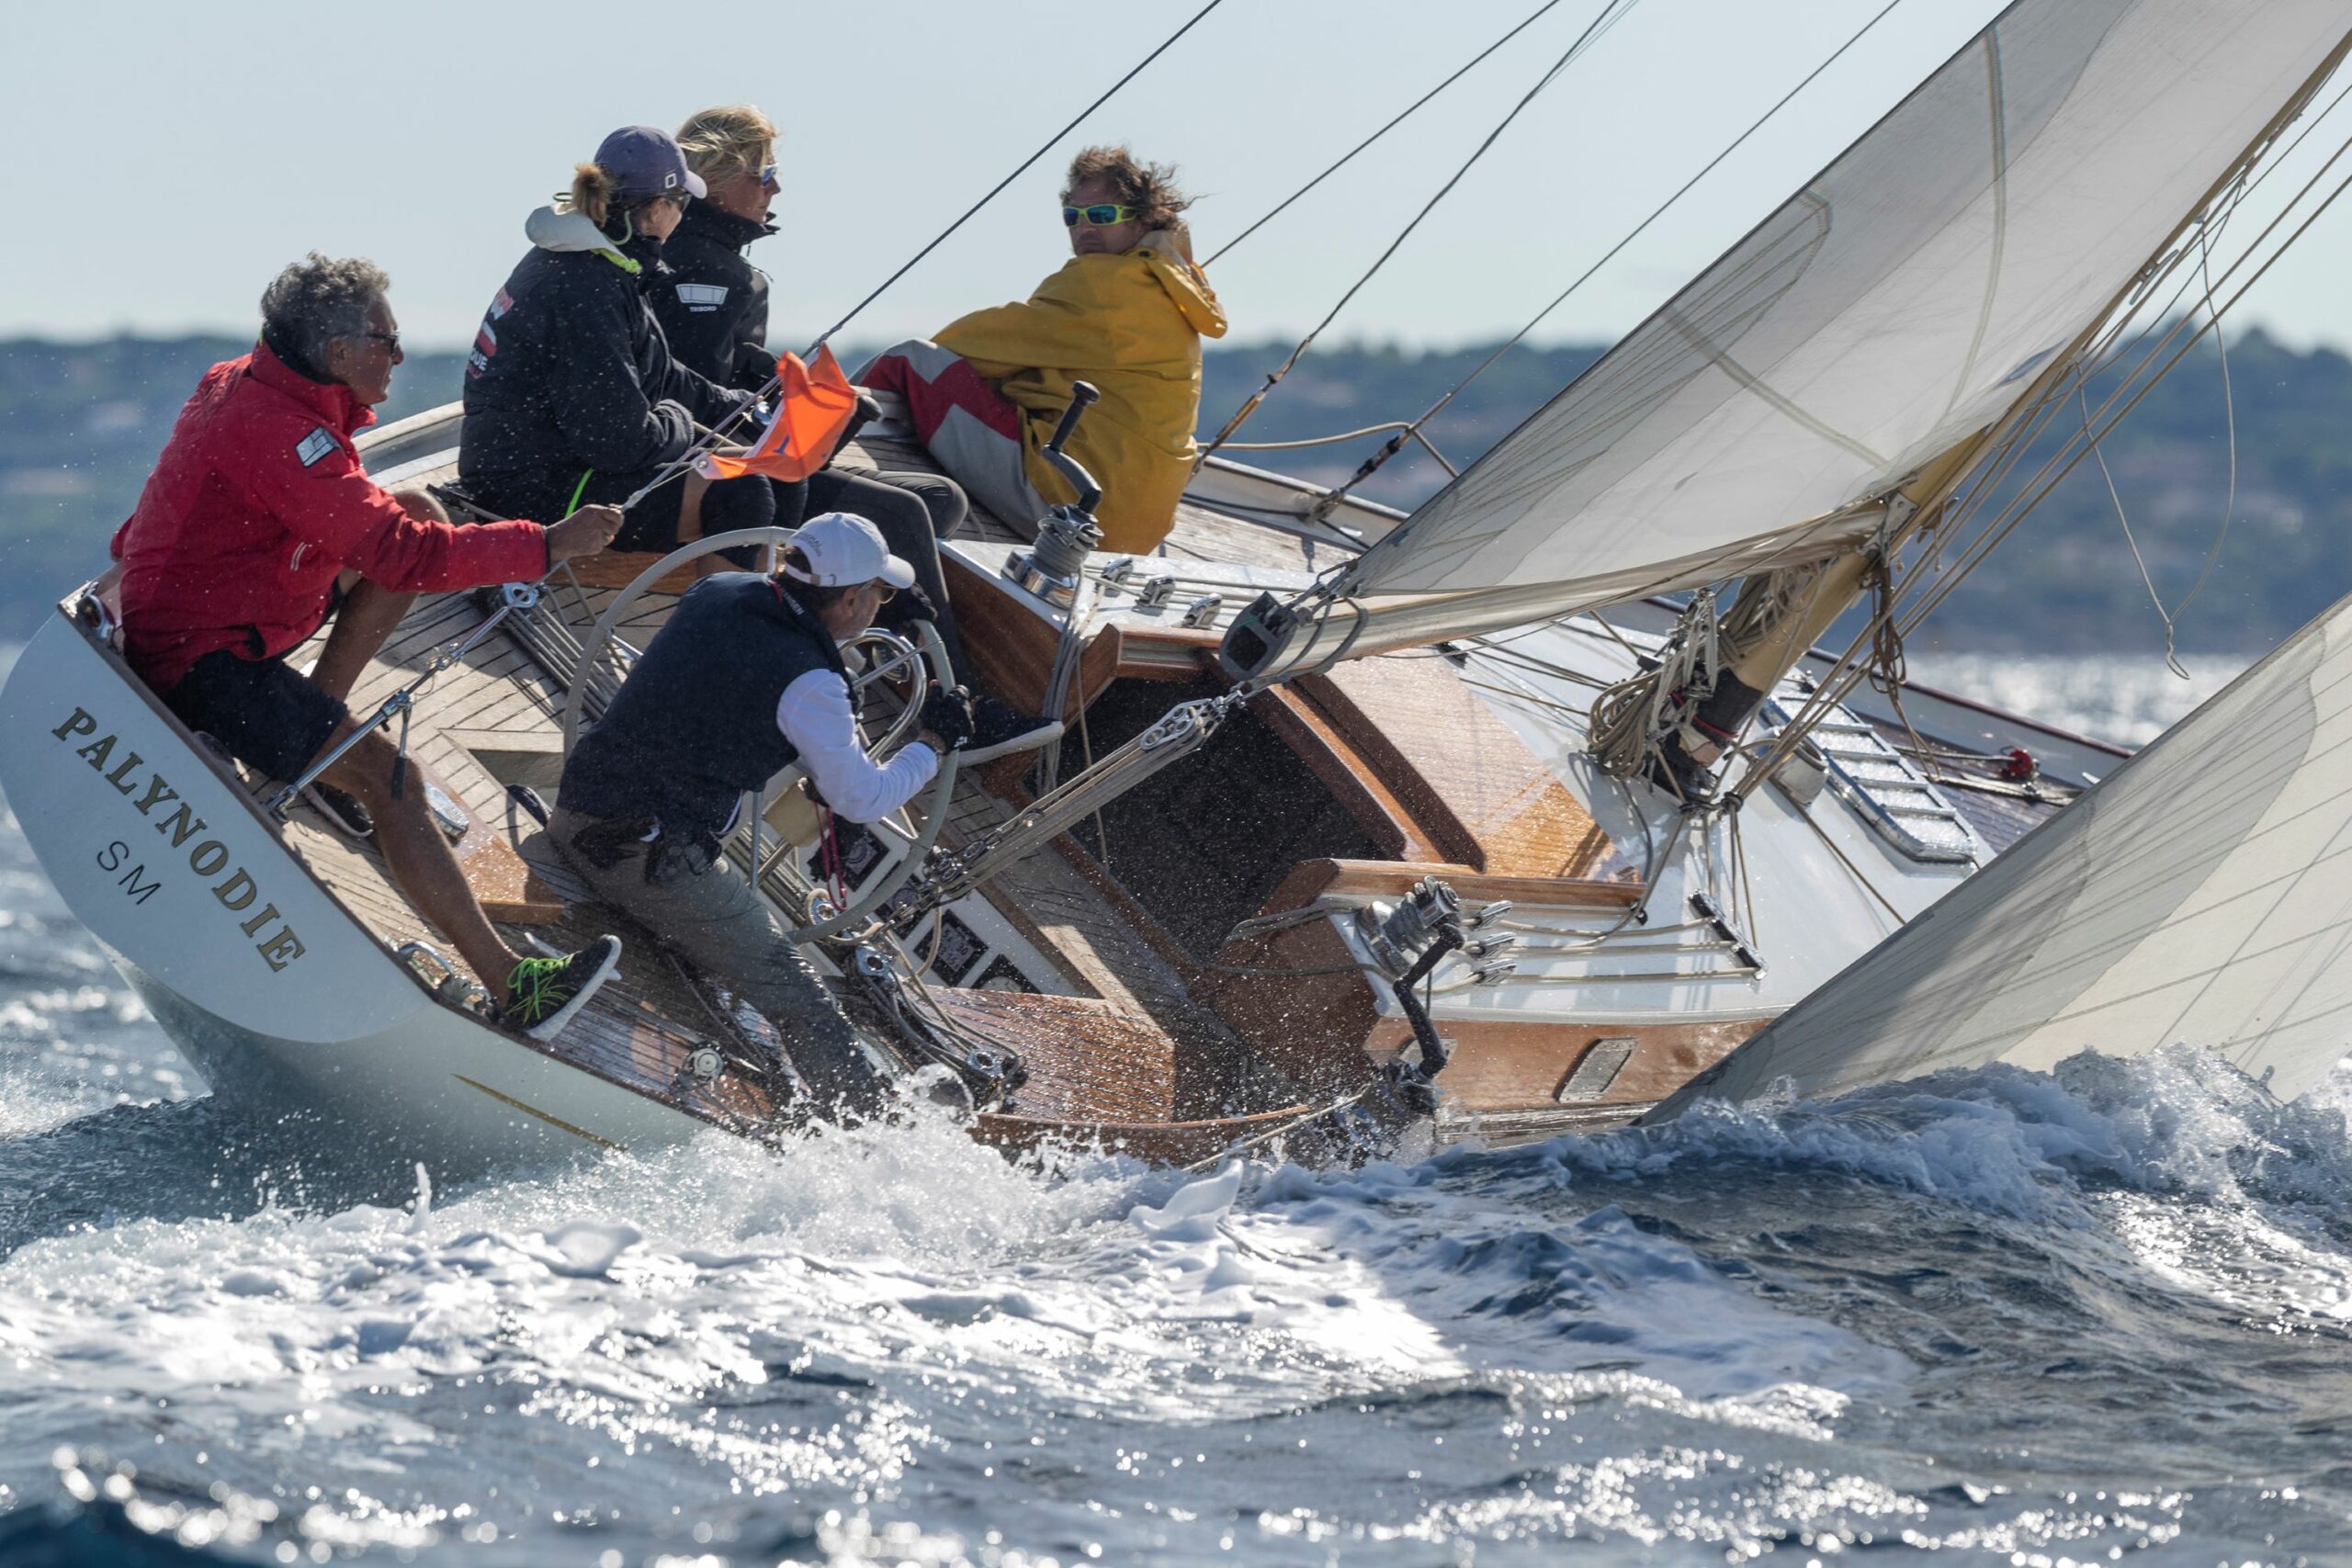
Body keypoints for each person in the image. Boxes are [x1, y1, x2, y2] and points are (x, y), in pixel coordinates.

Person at [107, 254, 628, 1037]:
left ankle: (314, 732)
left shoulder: (247, 383)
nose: (398, 356)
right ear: (338, 351)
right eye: (387, 339)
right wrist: (548, 545)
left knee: (413, 504)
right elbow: (407, 558)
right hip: (202, 660)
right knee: (395, 781)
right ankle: (514, 986)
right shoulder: (281, 434)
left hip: (223, 615)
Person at [655, 105, 1057, 759]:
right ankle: (953, 705)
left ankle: (876, 651)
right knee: (901, 511)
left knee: (938, 500)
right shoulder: (722, 273)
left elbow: (692, 373)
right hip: (723, 478)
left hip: (729, 460)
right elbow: (695, 396)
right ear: (720, 180)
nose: (776, 188)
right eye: (767, 173)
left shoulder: (691, 256)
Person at [548, 513, 981, 1116]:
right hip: (642, 856)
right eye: (880, 596)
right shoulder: (813, 684)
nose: (880, 607)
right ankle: (871, 1133)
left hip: (580, 807)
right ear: (852, 598)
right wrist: (934, 743)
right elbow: (862, 797)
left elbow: (724, 696)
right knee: (800, 998)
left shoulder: (719, 590)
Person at [858, 145, 1229, 555]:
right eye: (1073, 216)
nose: (1084, 228)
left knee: (911, 361)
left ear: (1143, 220)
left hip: (1070, 501)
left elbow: (959, 347)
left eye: (1102, 215)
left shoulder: (1103, 284)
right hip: (1137, 527)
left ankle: (808, 460)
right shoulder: (1170, 288)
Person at [458, 126, 770, 558]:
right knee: (739, 490)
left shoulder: (597, 260)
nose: (681, 216)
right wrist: (679, 420)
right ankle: (721, 618)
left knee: (761, 469)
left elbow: (663, 375)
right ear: (660, 209)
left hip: (547, 466)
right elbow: (622, 444)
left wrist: (751, 411)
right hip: (526, 492)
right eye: (681, 203)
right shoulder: (585, 285)